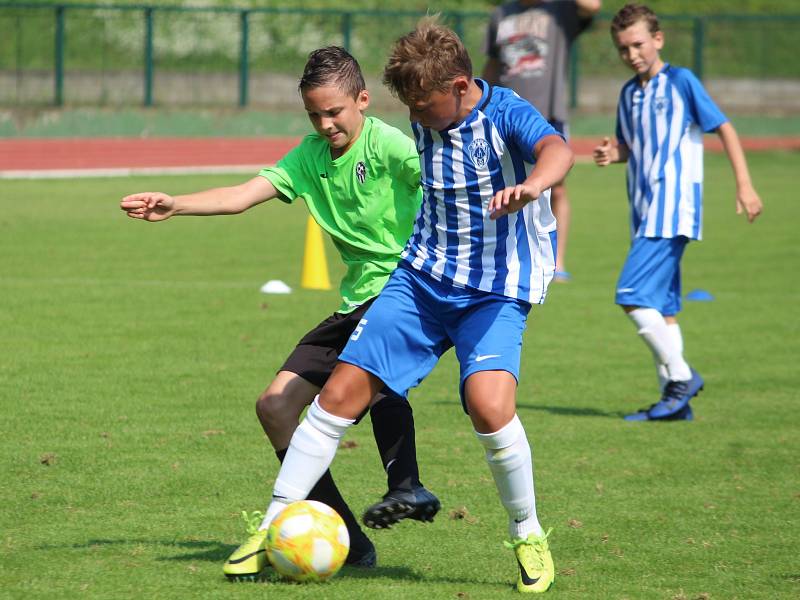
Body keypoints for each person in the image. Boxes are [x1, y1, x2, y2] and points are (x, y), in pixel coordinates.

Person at [256, 17, 574, 594]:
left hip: (496, 287)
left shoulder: (505, 113)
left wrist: (533, 186)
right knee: (338, 395)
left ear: (459, 85)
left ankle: (527, 532)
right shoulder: (423, 107)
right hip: (423, 277)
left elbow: (556, 151)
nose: (416, 117)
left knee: (487, 405)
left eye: (424, 106)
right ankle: (272, 524)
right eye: (411, 106)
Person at [119, 46, 441, 579]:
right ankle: (350, 537)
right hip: (355, 298)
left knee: (375, 375)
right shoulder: (310, 155)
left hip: (402, 290)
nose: (325, 123)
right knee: (273, 407)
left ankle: (405, 484)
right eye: (315, 114)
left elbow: (438, 176)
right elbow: (243, 194)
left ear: (362, 100)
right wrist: (176, 204)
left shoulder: (388, 145)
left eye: (335, 112)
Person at [592, 3, 763, 421]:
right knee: (663, 306)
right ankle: (674, 402)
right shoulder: (629, 94)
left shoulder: (682, 82)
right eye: (623, 48)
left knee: (630, 295)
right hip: (643, 209)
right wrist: (613, 154)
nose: (631, 54)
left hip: (674, 208)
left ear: (658, 40)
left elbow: (723, 127)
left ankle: (681, 377)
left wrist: (744, 183)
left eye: (637, 44)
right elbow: (630, 147)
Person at [483, 0, 603, 282]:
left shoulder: (559, 11)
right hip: (503, 117)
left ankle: (556, 261)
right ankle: (499, 257)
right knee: (500, 184)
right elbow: (492, 65)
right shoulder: (502, 13)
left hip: (547, 115)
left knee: (556, 188)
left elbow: (593, 6)